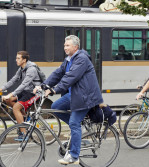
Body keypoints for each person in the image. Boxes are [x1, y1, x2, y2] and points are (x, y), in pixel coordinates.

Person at [34, 35, 103, 164]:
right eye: (64, 45)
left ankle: (74, 156)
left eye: (67, 45)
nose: (65, 48)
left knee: (73, 123)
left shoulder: (82, 59)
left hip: (85, 97)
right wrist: (44, 86)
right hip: (75, 94)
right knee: (55, 107)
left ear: (75, 47)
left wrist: (54, 90)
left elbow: (70, 77)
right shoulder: (68, 59)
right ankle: (80, 126)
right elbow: (58, 73)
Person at [0, 51, 41, 140]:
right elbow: (13, 80)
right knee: (8, 100)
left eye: (18, 58)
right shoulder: (21, 68)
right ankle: (25, 117)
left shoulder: (31, 69)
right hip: (26, 91)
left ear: (24, 60)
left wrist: (10, 94)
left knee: (15, 108)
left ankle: (24, 134)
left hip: (34, 93)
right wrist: (0, 89)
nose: (16, 60)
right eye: (16, 58)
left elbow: (24, 85)